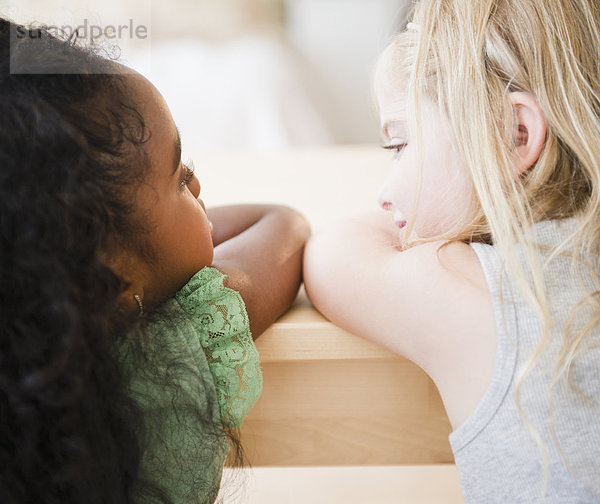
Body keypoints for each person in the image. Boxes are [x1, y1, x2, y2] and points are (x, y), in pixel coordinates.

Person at [0, 17, 310, 504]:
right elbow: (281, 224)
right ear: (111, 276)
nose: (199, 187)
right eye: (182, 177)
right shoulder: (160, 369)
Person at [303, 1, 600, 502]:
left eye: (399, 146)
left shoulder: (482, 293)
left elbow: (331, 255)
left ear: (514, 134)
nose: (385, 191)